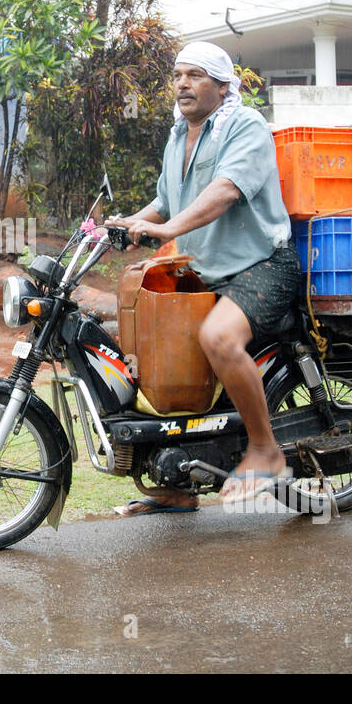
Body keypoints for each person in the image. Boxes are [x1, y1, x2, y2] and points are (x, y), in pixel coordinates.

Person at [107, 41, 300, 512]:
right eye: (177, 75)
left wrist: (168, 230)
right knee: (164, 350)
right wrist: (128, 221)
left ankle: (265, 451)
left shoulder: (245, 126)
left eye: (195, 75)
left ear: (222, 84)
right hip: (207, 272)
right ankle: (179, 486)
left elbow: (225, 191)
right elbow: (165, 204)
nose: (182, 84)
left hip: (262, 266)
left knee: (216, 338)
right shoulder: (178, 136)